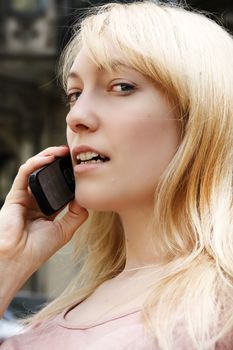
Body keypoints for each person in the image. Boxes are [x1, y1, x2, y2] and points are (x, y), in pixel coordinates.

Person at [1, 1, 233, 349]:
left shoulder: (218, 314)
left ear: (200, 114)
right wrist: (9, 263)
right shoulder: (53, 317)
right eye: (74, 94)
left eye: (121, 87)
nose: (76, 116)